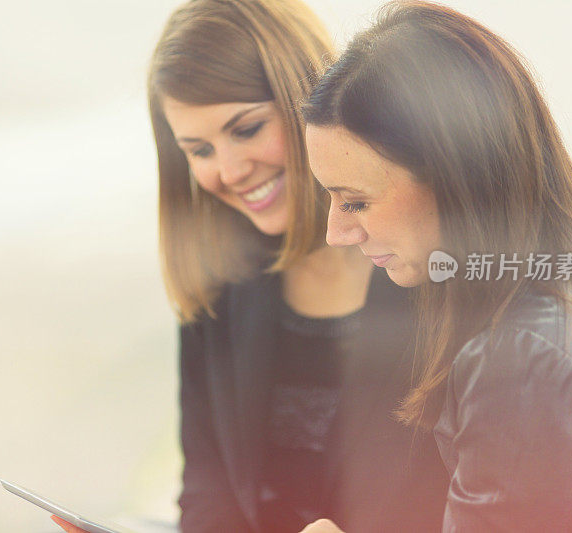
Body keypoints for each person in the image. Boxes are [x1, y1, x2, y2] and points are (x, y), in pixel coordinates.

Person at [52, 1, 448, 533]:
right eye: (199, 149)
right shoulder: (218, 293)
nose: (230, 171)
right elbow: (208, 499)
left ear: (309, 101)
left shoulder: (439, 276)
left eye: (246, 129)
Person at [298, 1, 572, 531]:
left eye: (355, 201)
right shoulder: (569, 301)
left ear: (453, 178)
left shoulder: (527, 352)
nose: (337, 233)